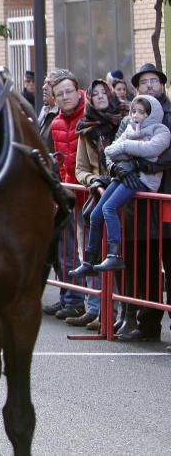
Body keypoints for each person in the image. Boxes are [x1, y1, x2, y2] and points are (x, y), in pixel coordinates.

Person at [73, 95, 171, 276]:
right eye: (134, 111)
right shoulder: (130, 128)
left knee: (109, 208)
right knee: (96, 213)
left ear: (151, 113)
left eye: (142, 112)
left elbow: (152, 149)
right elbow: (110, 151)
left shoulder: (161, 130)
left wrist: (125, 147)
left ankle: (114, 254)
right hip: (124, 177)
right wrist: (128, 153)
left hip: (144, 179)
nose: (136, 115)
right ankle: (90, 260)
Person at [110, 63, 171, 342]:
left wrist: (143, 165)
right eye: (144, 82)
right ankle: (146, 325)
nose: (149, 85)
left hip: (166, 200)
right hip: (138, 204)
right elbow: (112, 152)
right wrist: (117, 169)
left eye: (154, 81)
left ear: (162, 84)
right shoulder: (129, 119)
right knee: (141, 265)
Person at [71, 80, 130, 328]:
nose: (99, 96)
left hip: (126, 192)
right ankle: (101, 311)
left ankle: (122, 314)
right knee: (97, 254)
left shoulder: (126, 119)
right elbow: (80, 170)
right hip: (101, 192)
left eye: (102, 92)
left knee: (124, 259)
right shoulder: (85, 131)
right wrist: (94, 181)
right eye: (94, 94)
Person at [46, 69, 88, 320]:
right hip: (69, 193)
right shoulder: (56, 123)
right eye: (59, 94)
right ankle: (72, 298)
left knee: (92, 253)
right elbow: (60, 163)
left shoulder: (90, 114)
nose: (65, 97)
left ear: (77, 90)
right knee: (68, 250)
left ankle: (96, 306)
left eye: (68, 91)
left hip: (91, 192)